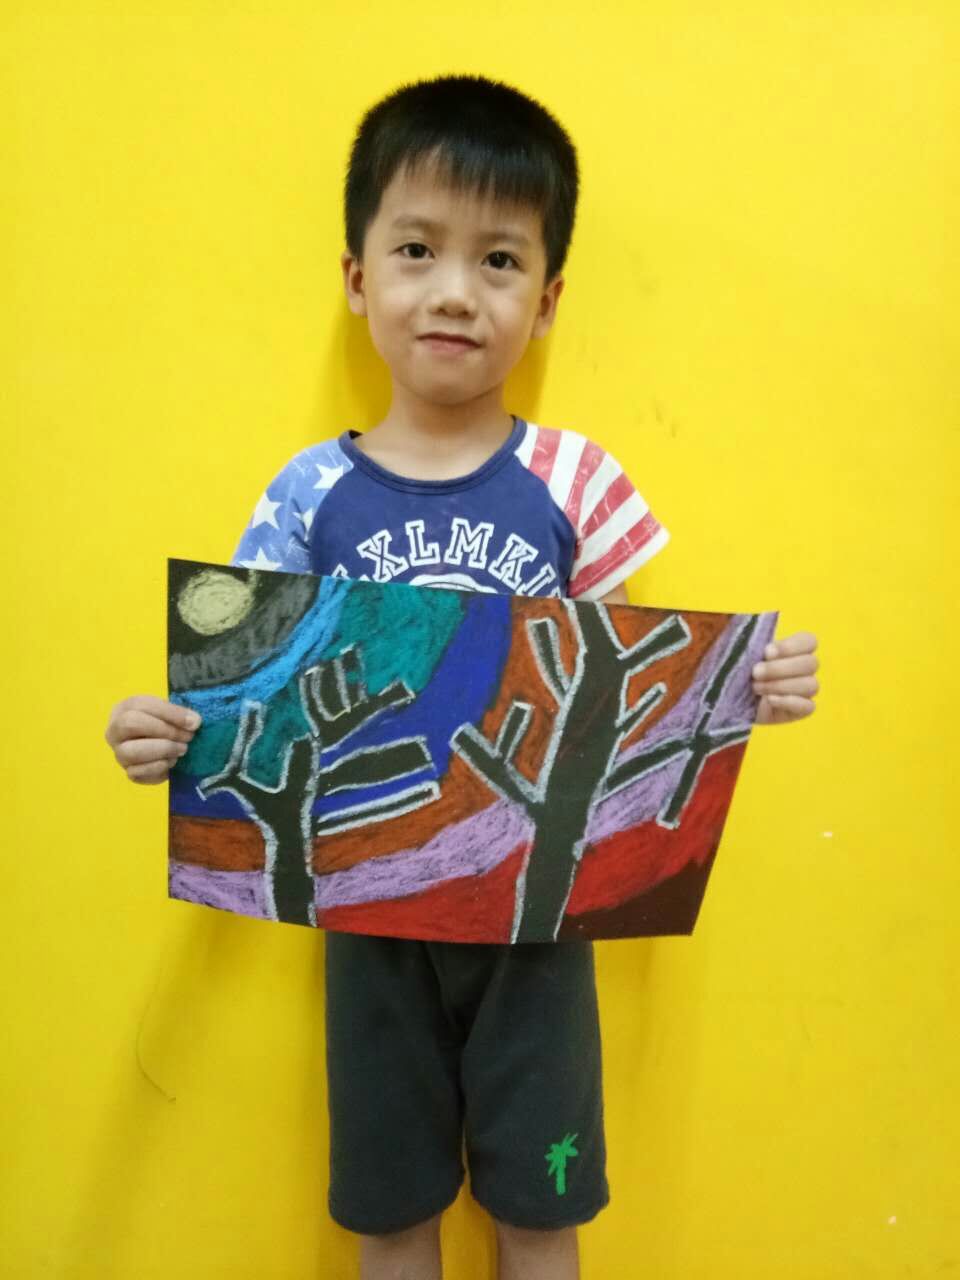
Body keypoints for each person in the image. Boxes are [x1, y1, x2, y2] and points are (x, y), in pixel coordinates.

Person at [105, 73, 819, 1280]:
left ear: (546, 301)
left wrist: (745, 688)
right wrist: (163, 733)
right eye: (417, 249)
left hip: (541, 917)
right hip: (365, 916)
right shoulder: (307, 494)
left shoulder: (580, 483)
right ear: (357, 278)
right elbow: (239, 690)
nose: (453, 290)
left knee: (544, 1209)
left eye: (498, 260)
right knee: (389, 1213)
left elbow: (636, 687)